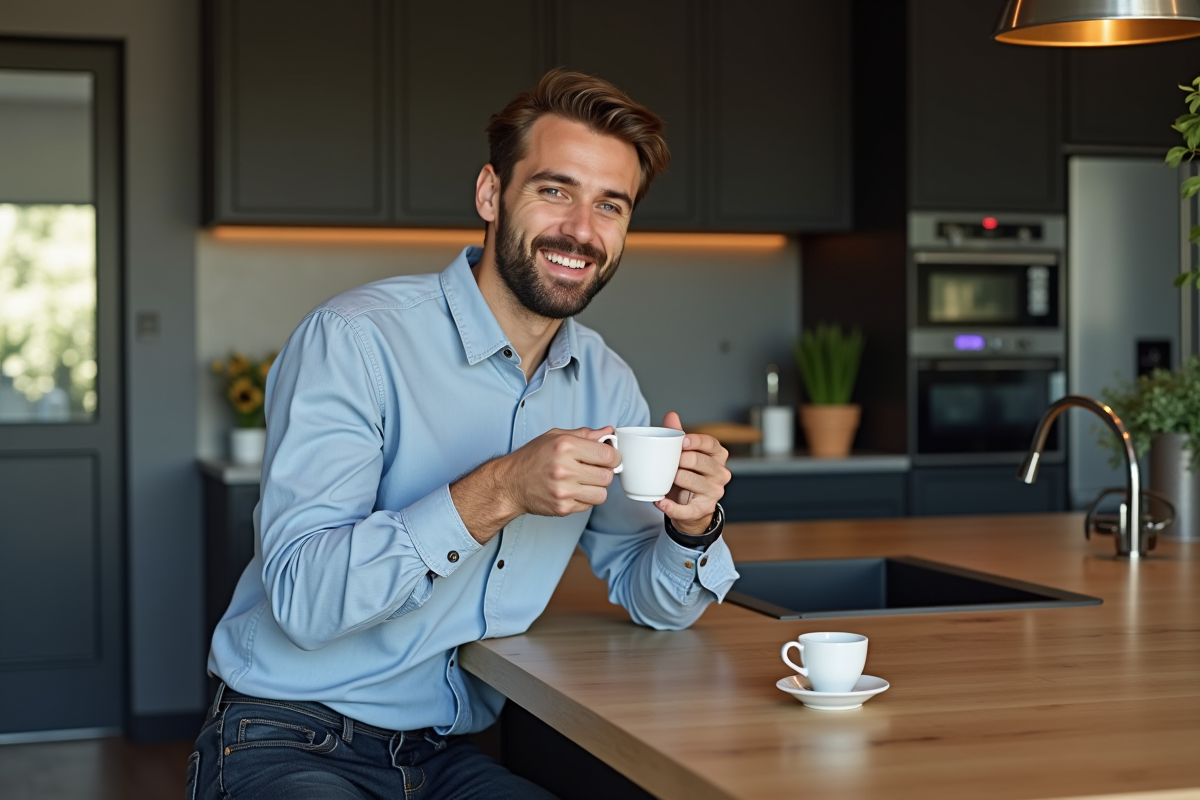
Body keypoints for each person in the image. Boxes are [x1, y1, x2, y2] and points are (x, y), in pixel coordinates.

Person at [190, 68, 738, 800]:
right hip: (289, 735)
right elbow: (302, 601)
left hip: (444, 755)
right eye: (555, 190)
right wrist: (500, 488)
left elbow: (655, 601)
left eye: (611, 205)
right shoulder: (355, 340)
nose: (581, 229)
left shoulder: (605, 380)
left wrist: (691, 528)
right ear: (490, 194)